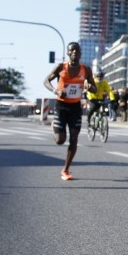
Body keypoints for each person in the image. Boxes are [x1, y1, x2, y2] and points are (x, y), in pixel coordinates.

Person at [43, 42, 97, 181]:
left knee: (74, 138)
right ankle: (54, 126)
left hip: (75, 107)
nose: (74, 52)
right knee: (61, 141)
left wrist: (90, 87)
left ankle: (66, 169)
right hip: (61, 106)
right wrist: (55, 90)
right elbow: (46, 81)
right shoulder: (61, 67)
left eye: (77, 50)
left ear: (80, 53)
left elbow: (94, 88)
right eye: (72, 50)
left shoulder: (86, 69)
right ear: (68, 53)